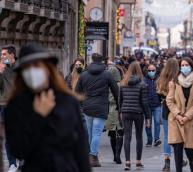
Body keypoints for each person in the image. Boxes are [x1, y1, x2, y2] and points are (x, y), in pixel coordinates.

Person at [3, 43, 91, 172]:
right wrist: (39, 117)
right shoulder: (16, 106)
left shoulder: (66, 101)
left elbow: (80, 148)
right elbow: (18, 149)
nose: (33, 72)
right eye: (27, 68)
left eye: (37, 66)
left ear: (48, 69)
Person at [75, 53, 119, 167]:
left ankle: (90, 156)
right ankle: (93, 156)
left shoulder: (84, 75)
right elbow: (116, 91)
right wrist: (119, 106)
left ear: (91, 60)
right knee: (97, 133)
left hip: (87, 107)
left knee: (90, 134)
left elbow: (77, 91)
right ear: (102, 61)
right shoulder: (107, 74)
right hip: (101, 107)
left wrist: (81, 104)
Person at [166, 57, 193, 172]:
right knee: (177, 146)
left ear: (191, 66)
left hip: (189, 119)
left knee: (189, 146)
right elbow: (169, 100)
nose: (184, 67)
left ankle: (191, 161)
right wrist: (178, 114)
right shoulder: (174, 82)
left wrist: (186, 117)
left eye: (186, 65)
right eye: (182, 65)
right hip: (175, 118)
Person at [119, 62, 151, 170]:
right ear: (139, 70)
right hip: (138, 112)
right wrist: (148, 117)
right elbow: (145, 103)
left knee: (127, 137)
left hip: (126, 112)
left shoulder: (123, 83)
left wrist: (120, 111)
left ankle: (127, 162)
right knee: (139, 137)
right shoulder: (142, 84)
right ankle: (138, 161)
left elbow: (120, 100)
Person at [157, 58, 184, 171]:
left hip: (165, 109)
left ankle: (167, 162)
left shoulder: (162, 79)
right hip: (177, 110)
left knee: (167, 137)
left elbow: (158, 94)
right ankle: (180, 159)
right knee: (179, 136)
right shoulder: (179, 78)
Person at [0, 45, 18, 172]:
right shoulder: (2, 69)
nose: (2, 57)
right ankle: (12, 163)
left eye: (4, 54)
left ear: (12, 55)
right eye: (1, 54)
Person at [104, 58, 124, 164]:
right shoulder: (121, 85)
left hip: (109, 111)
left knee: (112, 133)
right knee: (120, 132)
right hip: (119, 110)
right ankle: (118, 155)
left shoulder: (105, 85)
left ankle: (114, 155)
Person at [144, 64, 162, 147]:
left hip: (157, 104)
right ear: (147, 71)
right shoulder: (144, 80)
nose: (151, 72)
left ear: (155, 71)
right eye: (149, 70)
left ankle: (156, 139)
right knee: (148, 123)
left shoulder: (159, 79)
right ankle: (149, 140)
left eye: (153, 70)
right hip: (147, 106)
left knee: (157, 122)